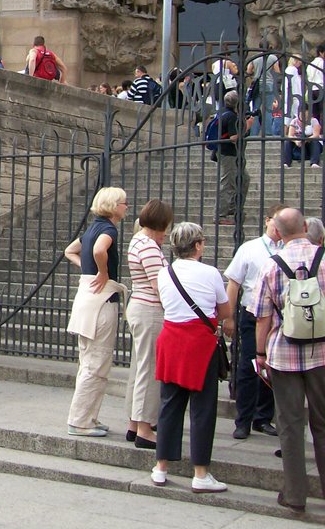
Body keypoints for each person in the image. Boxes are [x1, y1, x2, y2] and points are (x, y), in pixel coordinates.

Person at [150, 222, 232, 493]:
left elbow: (164, 302)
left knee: (169, 404)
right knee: (202, 408)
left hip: (171, 339)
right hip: (199, 343)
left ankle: (161, 467)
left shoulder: (165, 273)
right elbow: (224, 310)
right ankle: (200, 472)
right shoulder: (210, 273)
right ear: (197, 245)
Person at [253, 207, 325, 513]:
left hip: (284, 354)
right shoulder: (324, 258)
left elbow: (262, 318)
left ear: (278, 233)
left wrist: (260, 354)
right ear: (306, 226)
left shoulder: (272, 266)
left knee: (290, 425)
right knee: (322, 423)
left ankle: (295, 494)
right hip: (322, 352)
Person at [64, 187, 130, 437]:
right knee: (97, 363)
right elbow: (99, 250)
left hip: (86, 300)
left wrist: (88, 271)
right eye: (124, 203)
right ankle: (80, 421)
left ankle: (88, 416)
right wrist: (102, 272)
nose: (126, 206)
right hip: (101, 303)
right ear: (114, 206)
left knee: (89, 361)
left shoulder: (93, 227)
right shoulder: (108, 229)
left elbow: (70, 251)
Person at [222, 203, 285, 440]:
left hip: (279, 316)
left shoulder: (288, 249)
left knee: (273, 367)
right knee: (249, 367)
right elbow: (234, 282)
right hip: (253, 313)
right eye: (275, 221)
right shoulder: (249, 249)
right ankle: (243, 420)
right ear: (267, 220)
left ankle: (263, 417)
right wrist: (229, 317)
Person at [124, 199, 173, 449]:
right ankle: (144, 427)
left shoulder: (139, 241)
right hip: (150, 309)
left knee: (139, 366)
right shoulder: (150, 246)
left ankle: (134, 423)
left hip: (140, 306)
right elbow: (159, 287)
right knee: (149, 368)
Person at [216, 90, 251, 226]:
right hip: (228, 154)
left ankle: (233, 207)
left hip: (233, 154)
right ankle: (220, 214)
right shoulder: (230, 116)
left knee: (244, 179)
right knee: (228, 183)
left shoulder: (224, 113)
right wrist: (247, 128)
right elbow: (233, 138)